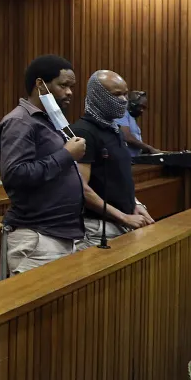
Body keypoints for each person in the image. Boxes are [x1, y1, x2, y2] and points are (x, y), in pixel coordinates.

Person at [0, 55, 86, 275]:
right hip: (37, 238)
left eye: (71, 86)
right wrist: (66, 155)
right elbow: (15, 174)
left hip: (59, 233)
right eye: (63, 85)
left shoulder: (50, 121)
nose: (70, 92)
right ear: (40, 85)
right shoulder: (20, 122)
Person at [73, 71, 153, 250]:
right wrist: (123, 217)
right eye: (116, 94)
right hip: (97, 230)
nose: (124, 100)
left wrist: (134, 204)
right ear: (98, 96)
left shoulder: (113, 129)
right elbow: (81, 188)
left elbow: (117, 177)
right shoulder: (83, 132)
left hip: (122, 222)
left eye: (125, 93)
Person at [116, 90, 160, 156]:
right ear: (132, 104)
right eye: (140, 106)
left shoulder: (131, 117)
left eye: (144, 108)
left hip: (134, 159)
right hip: (127, 160)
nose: (142, 110)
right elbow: (126, 136)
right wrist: (148, 147)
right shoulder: (122, 114)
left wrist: (143, 150)